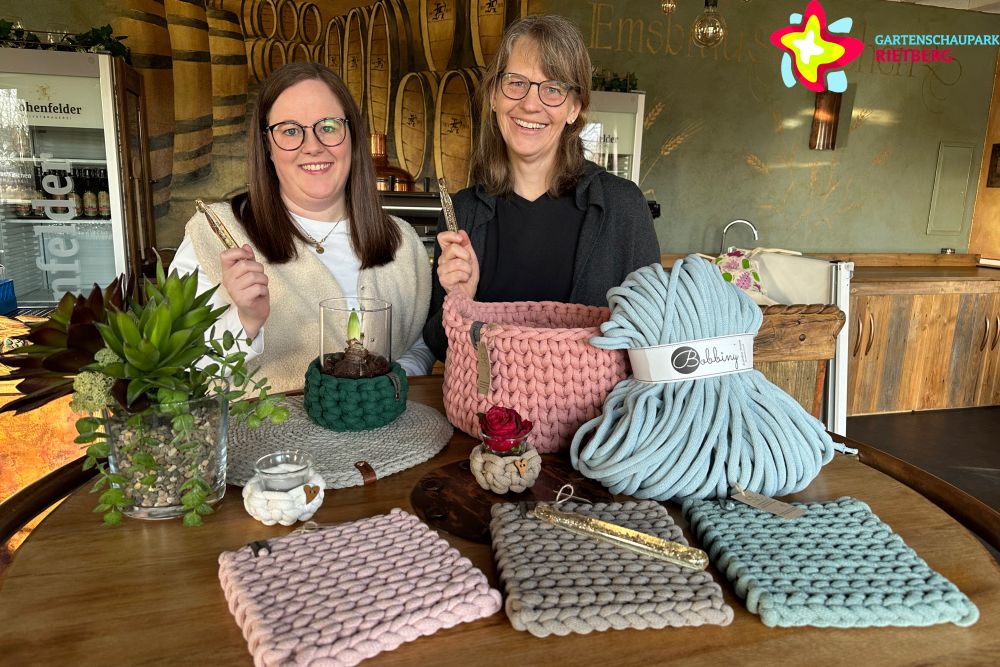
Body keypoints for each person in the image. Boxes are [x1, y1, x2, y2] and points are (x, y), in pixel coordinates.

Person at [171, 63, 433, 393]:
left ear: (351, 135)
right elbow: (182, 369)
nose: (313, 146)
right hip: (266, 443)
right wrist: (245, 321)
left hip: (388, 443)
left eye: (328, 126)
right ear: (267, 144)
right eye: (290, 130)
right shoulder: (213, 235)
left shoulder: (402, 242)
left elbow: (416, 348)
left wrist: (384, 389)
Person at [422, 14, 660, 362]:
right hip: (486, 416)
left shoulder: (623, 207)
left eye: (552, 89)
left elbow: (655, 338)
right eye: (516, 82)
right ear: (493, 95)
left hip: (601, 417)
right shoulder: (463, 212)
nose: (530, 104)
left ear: (574, 109)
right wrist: (462, 300)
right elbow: (440, 348)